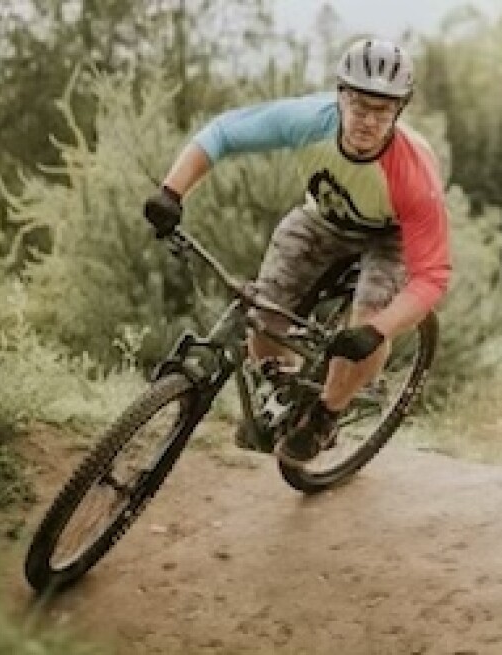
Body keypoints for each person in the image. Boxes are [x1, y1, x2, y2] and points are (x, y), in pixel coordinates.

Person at [143, 38, 451, 466]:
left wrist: (378, 330)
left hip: (390, 236)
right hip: (322, 220)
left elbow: (432, 275)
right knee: (262, 315)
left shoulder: (412, 173)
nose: (366, 120)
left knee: (363, 326)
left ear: (399, 110)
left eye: (382, 110)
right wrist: (171, 192)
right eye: (359, 105)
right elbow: (222, 134)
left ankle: (326, 415)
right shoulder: (310, 120)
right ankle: (282, 391)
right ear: (340, 95)